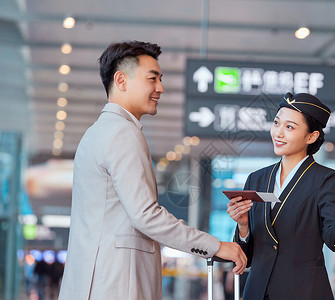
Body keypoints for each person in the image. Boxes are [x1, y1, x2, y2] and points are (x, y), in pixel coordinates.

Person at [58, 41, 247, 300]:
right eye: (152, 78)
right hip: (117, 285)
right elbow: (145, 215)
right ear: (121, 80)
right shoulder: (122, 133)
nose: (160, 88)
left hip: (96, 282)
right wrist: (215, 246)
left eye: (161, 79)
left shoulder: (97, 133)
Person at [226, 92, 335, 300]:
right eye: (276, 123)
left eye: (290, 127)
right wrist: (243, 225)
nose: (278, 133)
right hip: (258, 291)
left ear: (311, 137)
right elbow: (245, 258)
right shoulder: (256, 179)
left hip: (304, 291)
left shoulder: (325, 179)